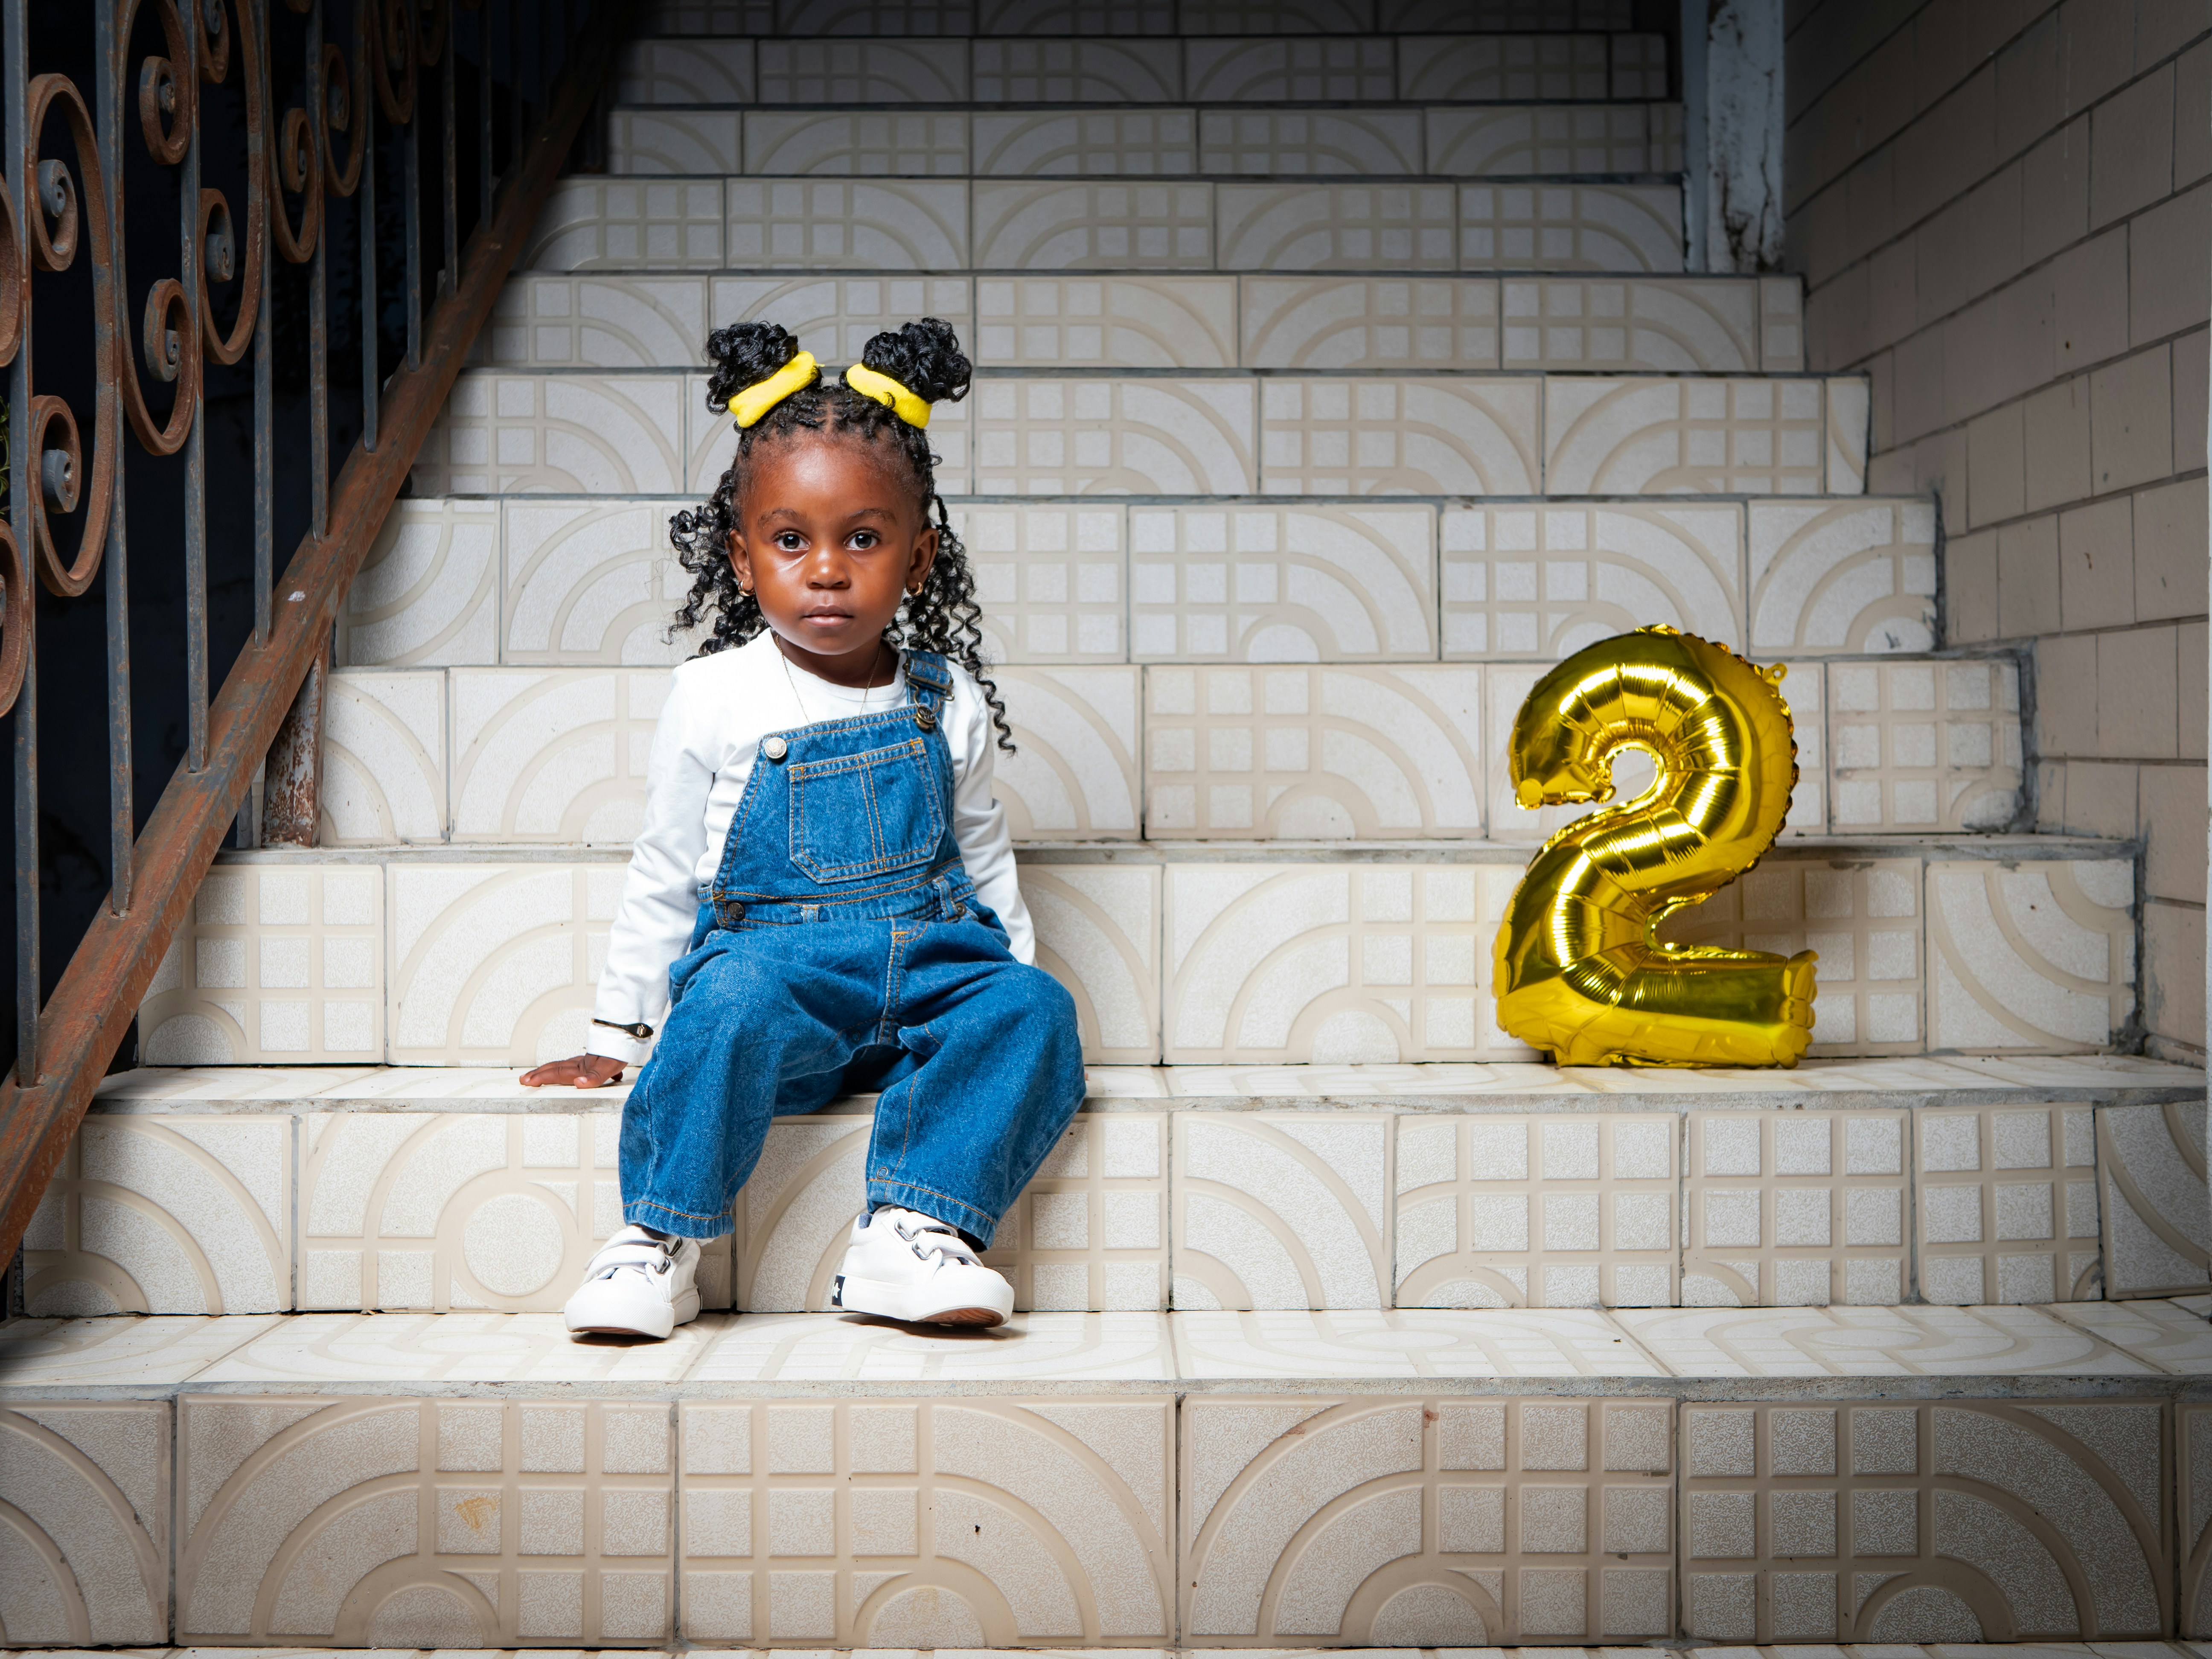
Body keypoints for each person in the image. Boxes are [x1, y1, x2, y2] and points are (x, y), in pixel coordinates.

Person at [521, 317, 1085, 1340]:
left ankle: (910, 1230)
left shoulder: (946, 696)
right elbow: (665, 870)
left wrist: (1001, 988)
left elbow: (982, 851)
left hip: (930, 971)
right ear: (743, 560)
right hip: (782, 984)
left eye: (862, 539)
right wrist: (617, 1034)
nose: (827, 569)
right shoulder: (715, 694)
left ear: (920, 558)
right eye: (792, 541)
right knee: (722, 1002)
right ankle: (658, 1239)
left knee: (1037, 1011)